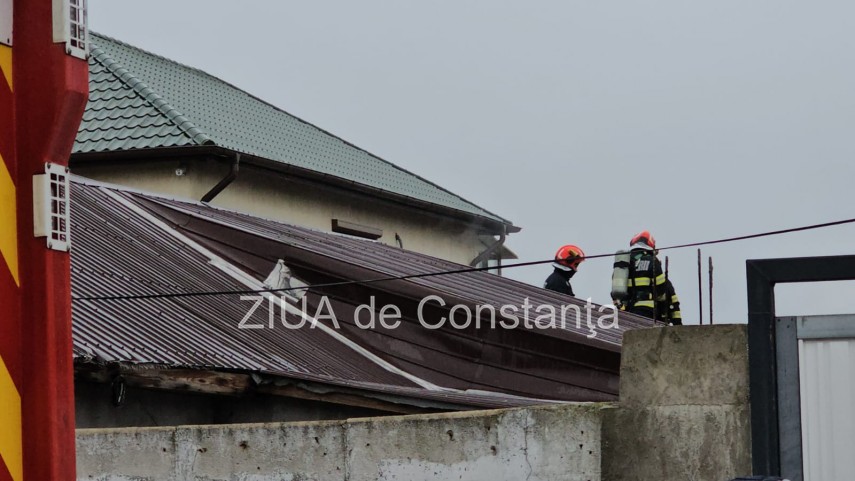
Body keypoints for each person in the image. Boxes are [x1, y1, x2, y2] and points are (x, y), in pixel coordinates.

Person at [625, 231, 682, 325]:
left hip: (630, 311)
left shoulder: (625, 264)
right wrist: (678, 324)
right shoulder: (652, 261)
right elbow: (661, 289)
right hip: (650, 311)